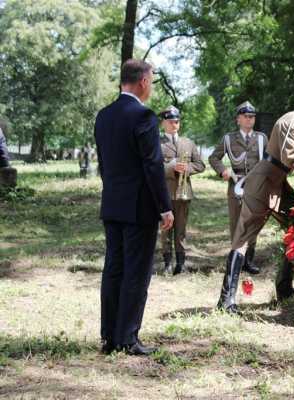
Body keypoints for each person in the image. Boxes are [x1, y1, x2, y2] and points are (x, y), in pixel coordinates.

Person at [217, 84, 294, 314]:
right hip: (263, 181)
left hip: (279, 183)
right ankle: (226, 300)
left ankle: (283, 287)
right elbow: (291, 157)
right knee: (243, 237)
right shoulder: (291, 121)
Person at [94, 59, 174, 356]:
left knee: (113, 269)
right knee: (136, 272)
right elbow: (152, 166)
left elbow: (104, 164)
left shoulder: (103, 116)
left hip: (112, 203)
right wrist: (165, 207)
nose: (150, 86)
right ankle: (127, 337)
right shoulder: (143, 116)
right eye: (151, 80)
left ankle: (109, 336)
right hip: (139, 207)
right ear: (142, 81)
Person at [208, 101, 268, 275]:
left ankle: (248, 261)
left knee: (253, 224)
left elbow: (268, 161)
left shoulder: (261, 138)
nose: (249, 120)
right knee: (236, 225)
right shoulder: (229, 138)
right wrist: (223, 170)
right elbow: (214, 158)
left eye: (252, 117)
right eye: (246, 117)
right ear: (238, 119)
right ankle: (236, 263)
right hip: (235, 186)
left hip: (256, 188)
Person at [159, 105, 205, 275]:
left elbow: (200, 165)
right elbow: (152, 168)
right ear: (163, 123)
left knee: (181, 230)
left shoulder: (188, 142)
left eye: (176, 121)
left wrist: (186, 168)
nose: (174, 124)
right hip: (163, 192)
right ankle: (167, 264)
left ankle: (181, 264)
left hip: (184, 192)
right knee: (165, 229)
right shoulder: (156, 142)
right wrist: (171, 167)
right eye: (170, 122)